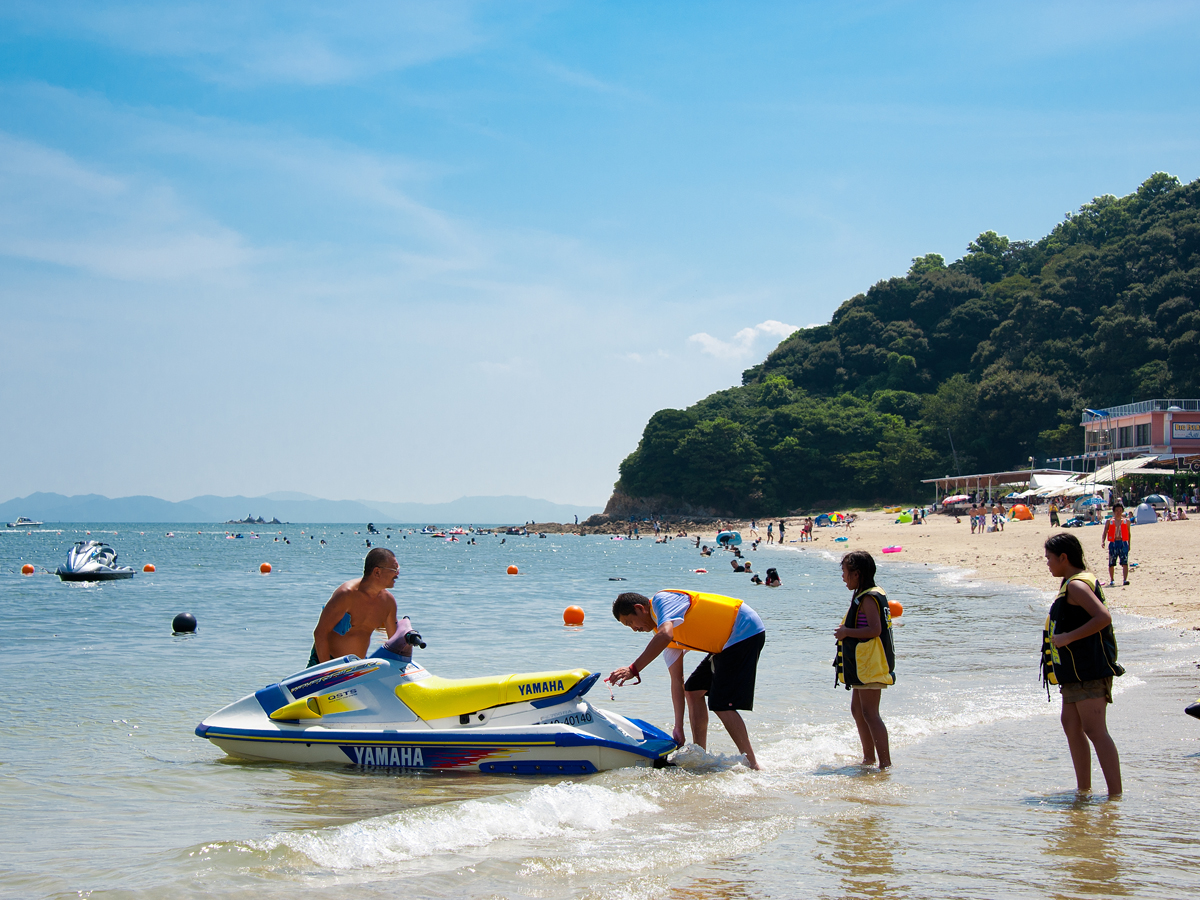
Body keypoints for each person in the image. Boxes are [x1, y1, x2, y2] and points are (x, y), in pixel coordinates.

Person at [609, 590, 766, 769]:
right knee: (693, 690)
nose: (634, 629)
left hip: (745, 630)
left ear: (640, 608)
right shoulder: (664, 637)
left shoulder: (662, 602)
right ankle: (701, 754)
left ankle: (753, 764)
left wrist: (633, 669)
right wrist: (678, 727)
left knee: (721, 703)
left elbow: (665, 634)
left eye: (630, 622)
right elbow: (677, 680)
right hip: (726, 644)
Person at [1041, 533, 1124, 796]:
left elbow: (1103, 618)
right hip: (1075, 672)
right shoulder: (1071, 584)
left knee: (1094, 730)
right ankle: (1084, 789)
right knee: (1071, 723)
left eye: (1049, 559)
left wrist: (1067, 637)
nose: (1048, 564)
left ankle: (1115, 796)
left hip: (1088, 670)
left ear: (1064, 558)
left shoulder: (1077, 586)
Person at [833, 550, 895, 769]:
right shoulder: (864, 594)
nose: (843, 576)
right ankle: (869, 758)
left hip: (871, 664)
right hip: (863, 665)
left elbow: (874, 630)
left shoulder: (868, 597)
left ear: (857, 574)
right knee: (858, 711)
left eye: (845, 572)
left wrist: (846, 632)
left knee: (870, 712)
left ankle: (885, 764)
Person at [308, 547, 401, 667]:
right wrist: (327, 671)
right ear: (377, 572)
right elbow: (320, 633)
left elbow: (394, 643)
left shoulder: (388, 602)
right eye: (394, 569)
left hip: (355, 668)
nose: (397, 573)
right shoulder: (346, 594)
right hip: (325, 663)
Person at [1101, 503, 1131, 586]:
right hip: (1113, 543)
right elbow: (1105, 531)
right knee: (1111, 562)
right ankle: (1112, 580)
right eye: (1117, 510)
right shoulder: (1109, 521)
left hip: (1123, 542)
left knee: (1125, 562)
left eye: (1120, 510)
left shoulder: (1126, 521)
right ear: (1114, 511)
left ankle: (1125, 580)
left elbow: (1129, 533)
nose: (1119, 512)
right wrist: (1103, 541)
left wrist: (1129, 544)